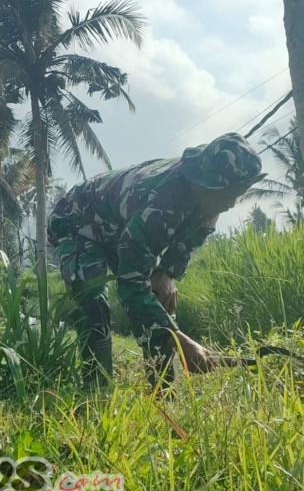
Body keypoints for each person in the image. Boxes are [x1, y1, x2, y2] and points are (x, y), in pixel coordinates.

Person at [47, 133, 265, 390]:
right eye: (228, 193)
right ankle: (97, 391)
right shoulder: (159, 206)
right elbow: (131, 284)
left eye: (238, 193)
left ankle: (163, 393)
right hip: (77, 220)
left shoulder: (209, 205)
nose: (231, 203)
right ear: (205, 185)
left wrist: (165, 273)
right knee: (93, 299)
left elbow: (187, 244)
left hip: (121, 225)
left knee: (160, 295)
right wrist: (178, 338)